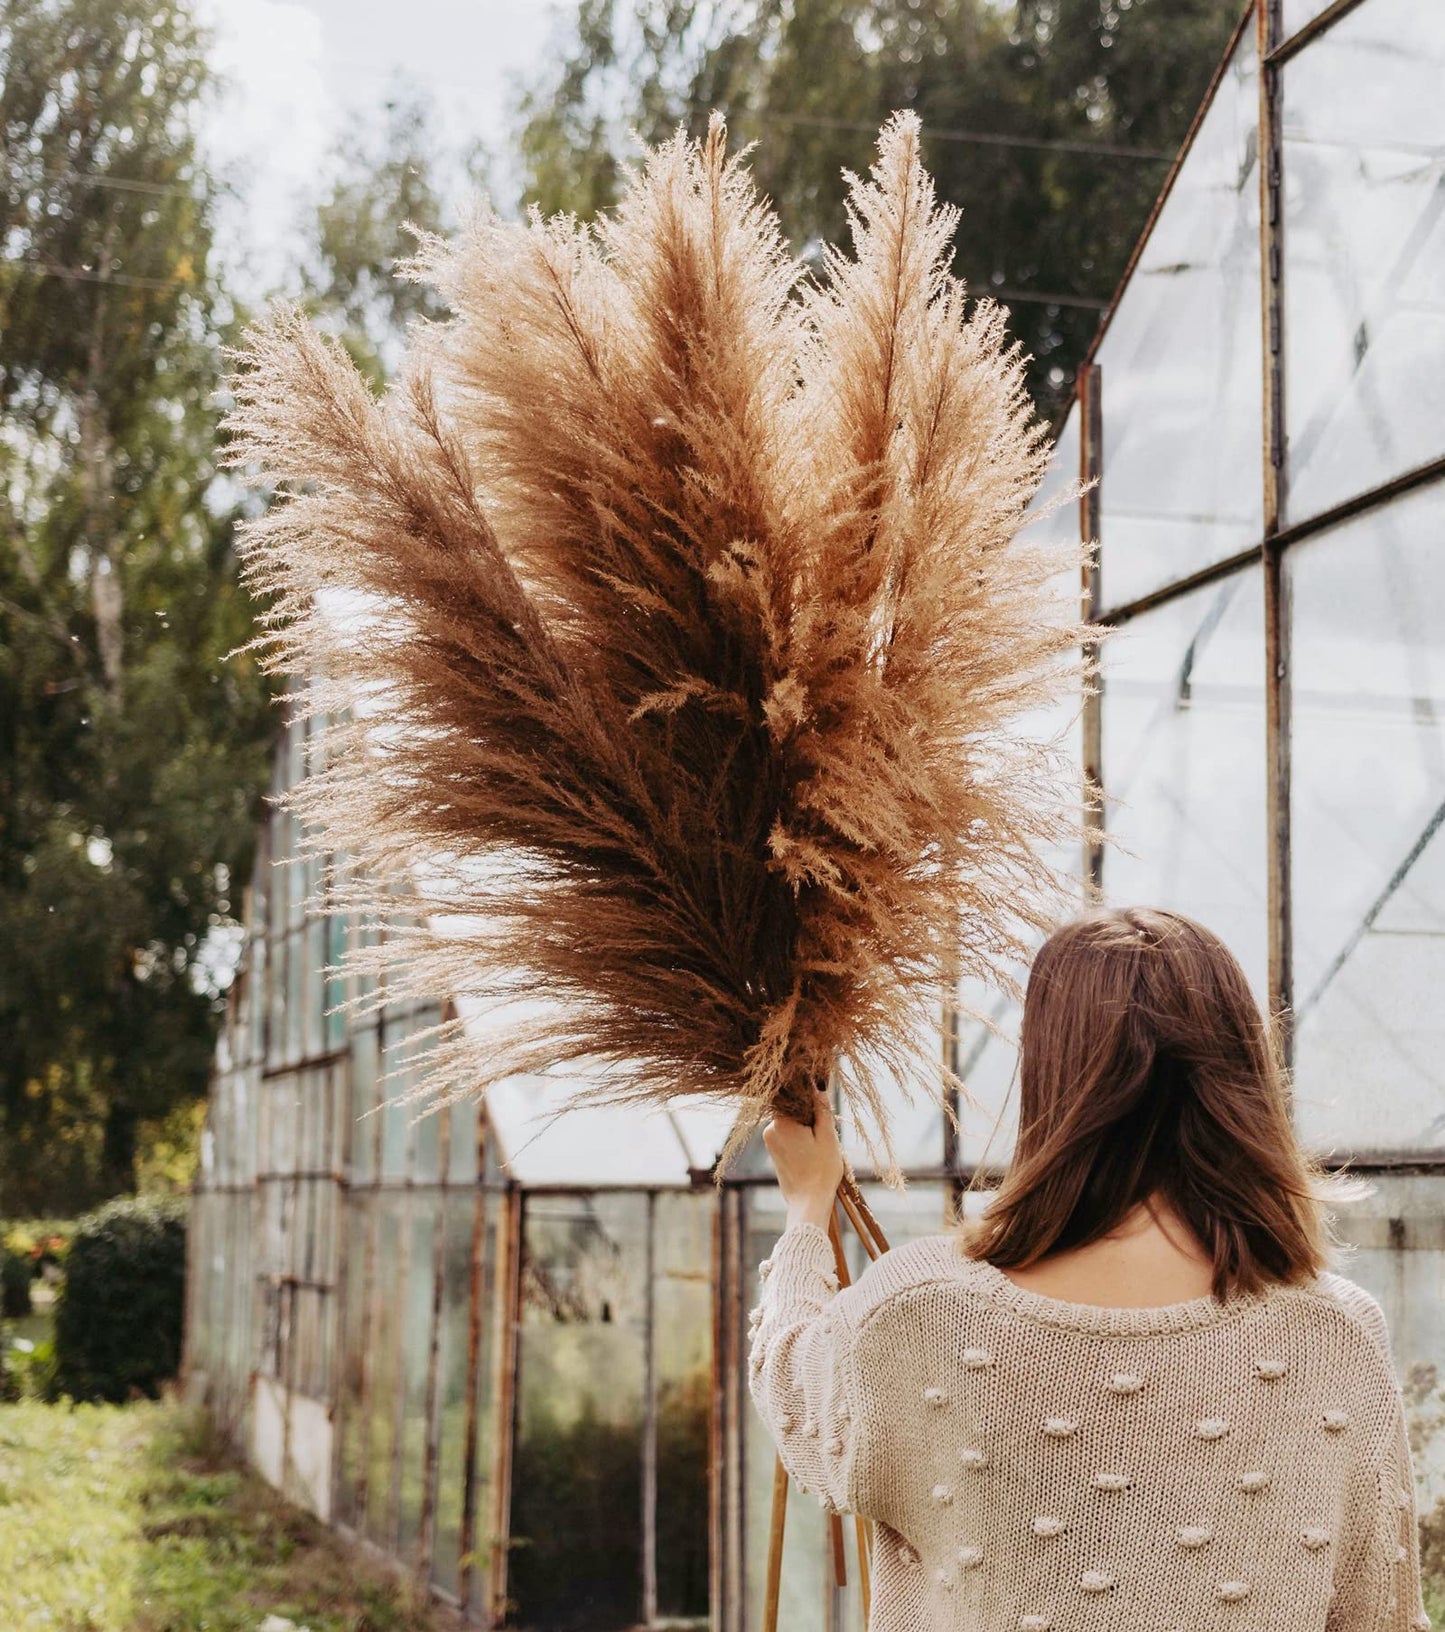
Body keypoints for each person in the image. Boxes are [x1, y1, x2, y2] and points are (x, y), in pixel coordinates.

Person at [749, 905, 1431, 1631]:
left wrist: (805, 1208)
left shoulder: (917, 1309)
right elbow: (1377, 1616)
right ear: (1242, 1076)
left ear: (1049, 1071)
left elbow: (790, 1383)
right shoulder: (1334, 1332)